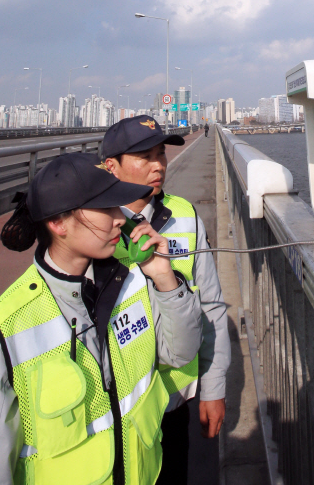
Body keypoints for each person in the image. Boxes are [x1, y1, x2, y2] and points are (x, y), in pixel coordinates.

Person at [0, 152, 202, 485]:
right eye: (105, 208)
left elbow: (180, 353)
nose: (120, 219)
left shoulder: (136, 280)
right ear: (58, 223)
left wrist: (165, 279)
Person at [100, 116, 230, 485]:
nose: (158, 165)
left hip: (175, 401)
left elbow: (212, 307)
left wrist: (214, 386)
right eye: (144, 156)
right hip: (117, 409)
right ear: (111, 166)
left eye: (161, 154)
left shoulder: (184, 216)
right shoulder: (93, 225)